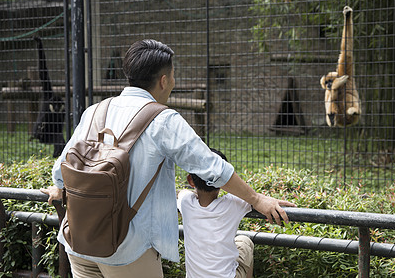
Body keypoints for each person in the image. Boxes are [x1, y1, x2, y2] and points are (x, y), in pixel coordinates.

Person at [41, 39, 296, 278]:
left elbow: (60, 170)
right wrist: (257, 199)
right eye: (173, 76)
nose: (173, 82)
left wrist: (59, 188)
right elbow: (211, 167)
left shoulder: (95, 111)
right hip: (127, 249)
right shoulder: (163, 120)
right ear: (163, 80)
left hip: (78, 240)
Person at [178, 148, 254, 278]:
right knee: (244, 241)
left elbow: (181, 193)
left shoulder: (185, 202)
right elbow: (253, 198)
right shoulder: (235, 203)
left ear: (190, 180)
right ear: (226, 180)